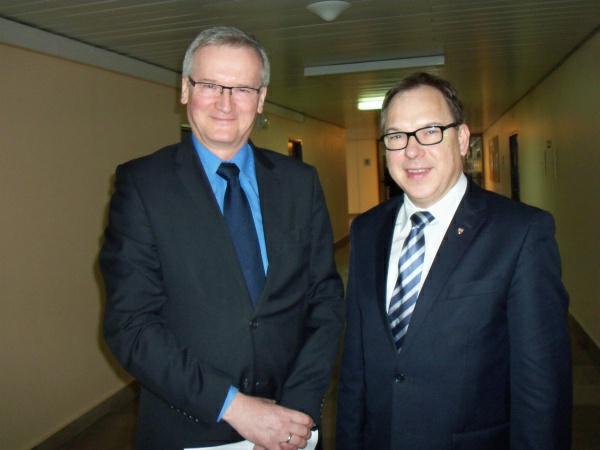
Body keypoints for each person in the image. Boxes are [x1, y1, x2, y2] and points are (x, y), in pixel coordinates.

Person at [99, 26, 345, 450]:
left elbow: (323, 299)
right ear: (185, 89)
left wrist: (296, 410)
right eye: (210, 85)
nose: (225, 103)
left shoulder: (299, 183)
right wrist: (237, 409)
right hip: (189, 429)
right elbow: (131, 325)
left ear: (261, 98)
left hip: (292, 427)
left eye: (242, 89)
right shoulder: (143, 185)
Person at [336, 72, 572, 449]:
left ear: (462, 139)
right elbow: (355, 367)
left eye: (430, 131)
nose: (412, 151)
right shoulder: (366, 231)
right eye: (396, 136)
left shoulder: (521, 233)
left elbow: (542, 390)